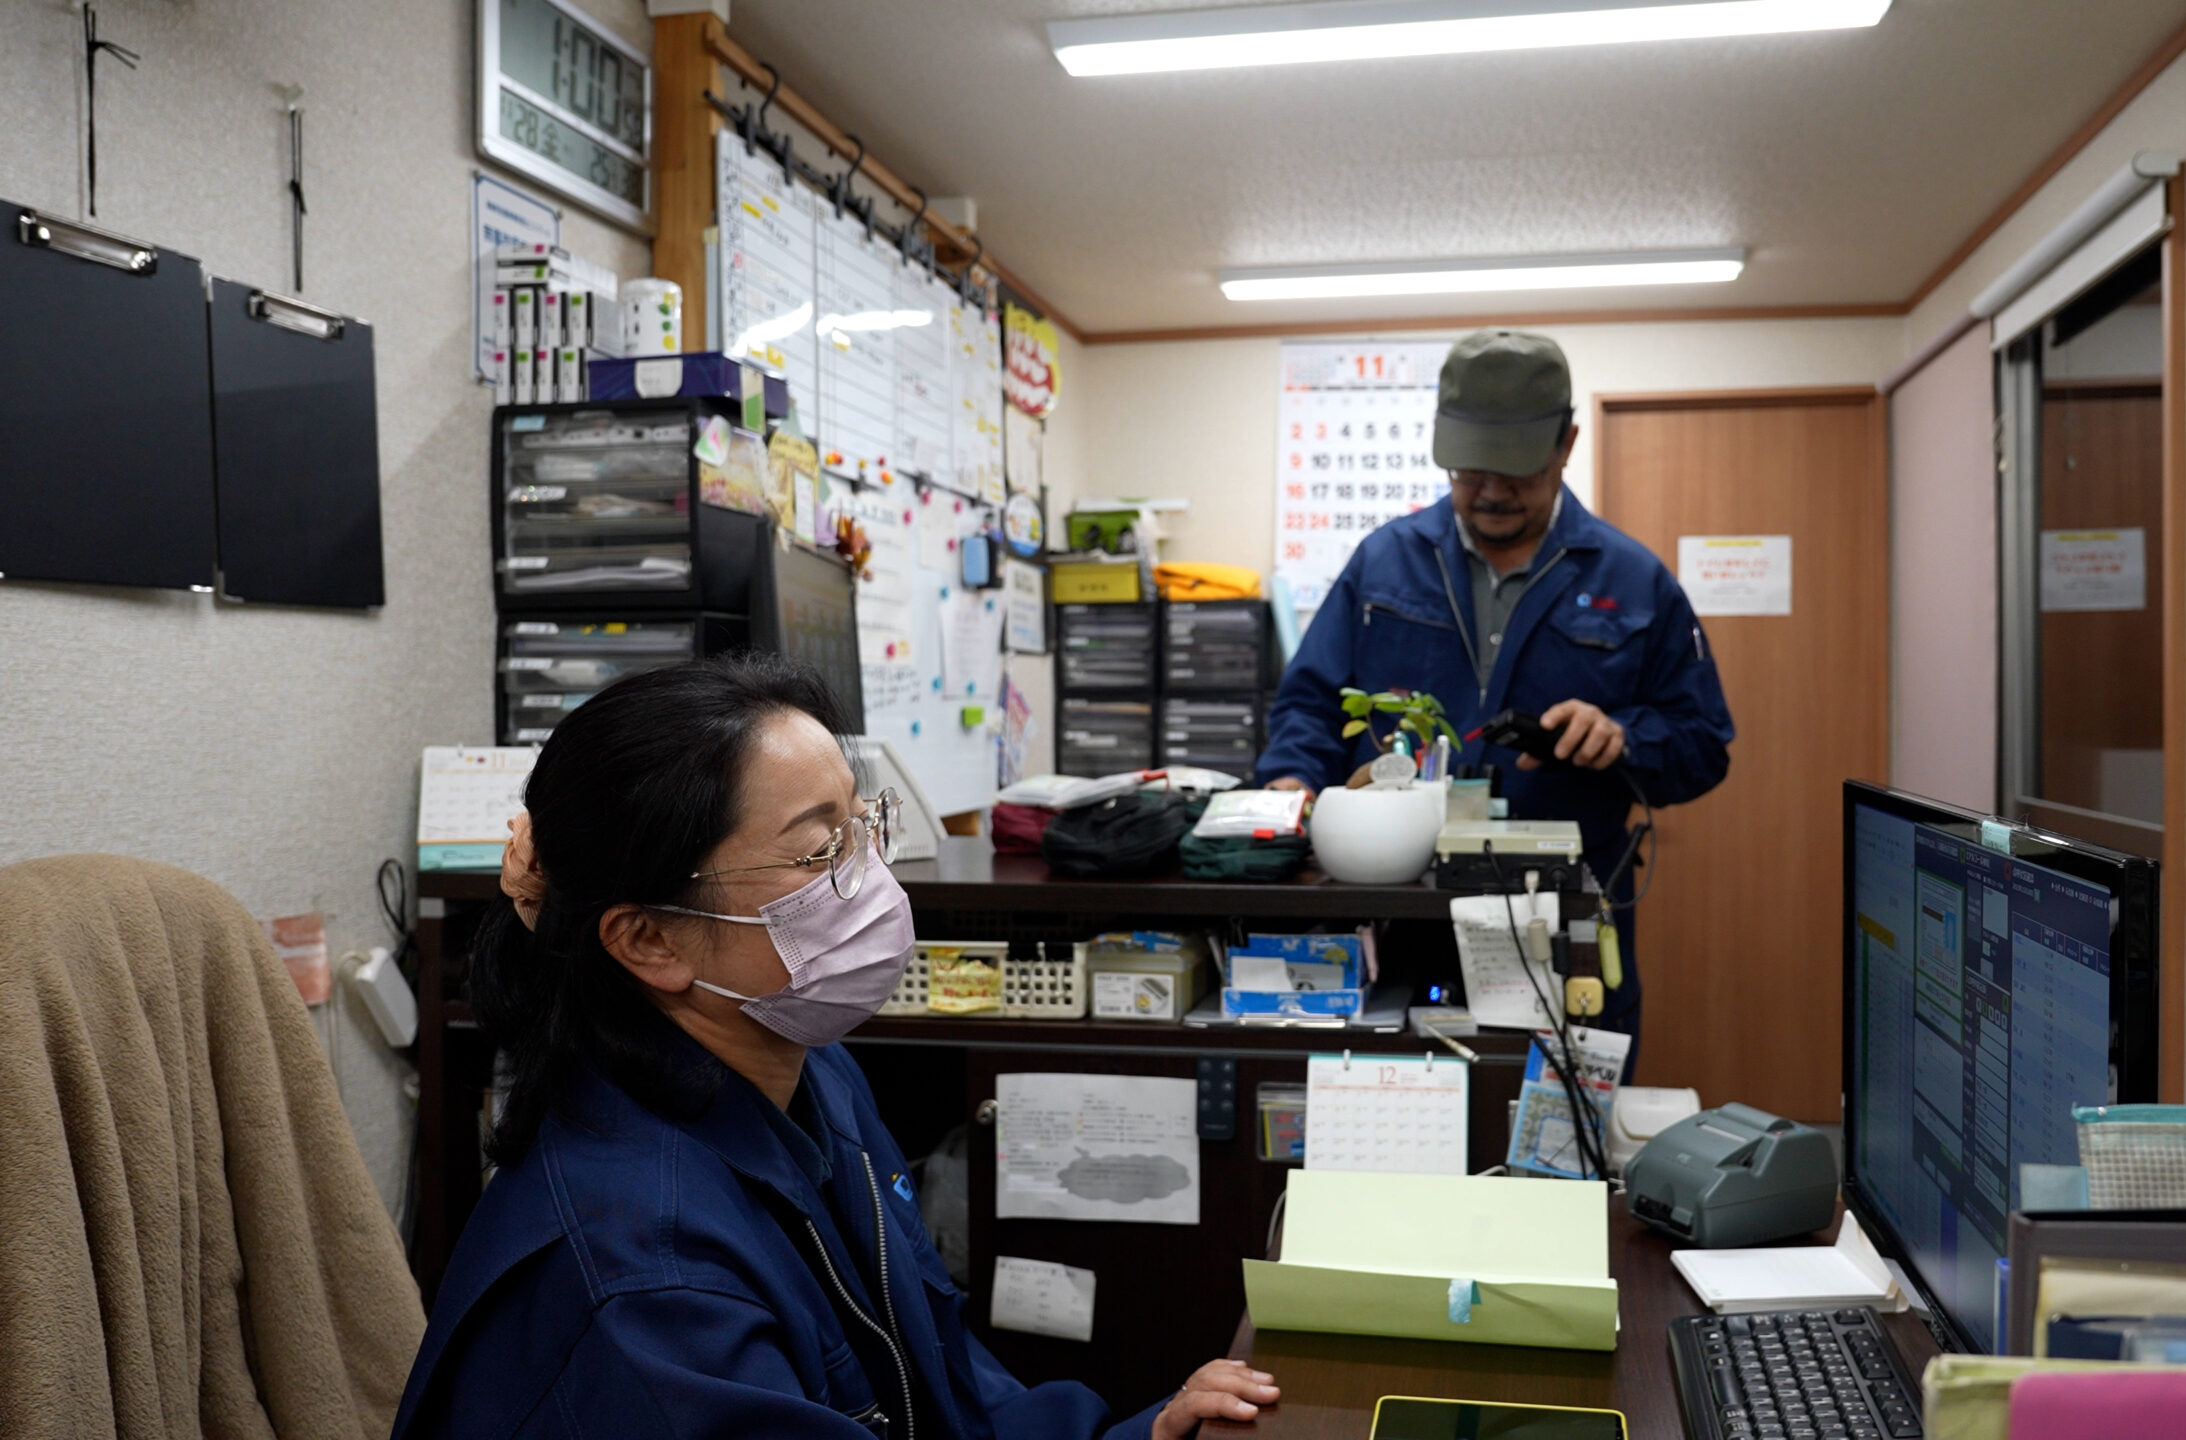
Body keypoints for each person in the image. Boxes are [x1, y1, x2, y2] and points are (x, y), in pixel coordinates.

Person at [392, 654, 1275, 1440]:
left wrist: (1141, 1434)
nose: (872, 878)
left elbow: (942, 1382)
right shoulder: (648, 1288)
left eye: (864, 824)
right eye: (821, 852)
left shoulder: (812, 1076)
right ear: (651, 940)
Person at [1256, 329, 1736, 1072]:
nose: (1490, 492)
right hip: (1400, 918)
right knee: (1392, 1118)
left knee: (1559, 1128)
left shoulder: (1635, 581)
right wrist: (1289, 785)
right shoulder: (1384, 563)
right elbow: (1311, 705)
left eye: (1516, 471)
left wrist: (1623, 737)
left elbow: (1703, 745)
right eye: (1470, 469)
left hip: (1564, 924)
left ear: (1566, 445)